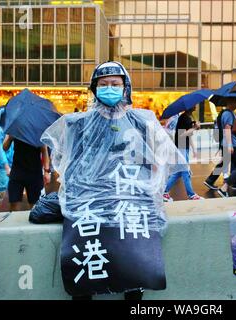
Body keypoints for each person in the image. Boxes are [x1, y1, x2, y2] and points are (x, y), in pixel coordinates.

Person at [41, 61, 186, 300]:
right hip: (90, 204)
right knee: (87, 254)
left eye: (115, 84)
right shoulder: (79, 123)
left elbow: (159, 161)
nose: (109, 88)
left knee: (131, 254)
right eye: (104, 84)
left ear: (125, 88)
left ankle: (133, 290)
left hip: (129, 200)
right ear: (94, 88)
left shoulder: (142, 121)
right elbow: (70, 164)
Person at [163, 107, 203, 201]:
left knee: (178, 172)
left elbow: (188, 135)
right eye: (194, 104)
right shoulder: (185, 118)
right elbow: (183, 134)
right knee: (185, 171)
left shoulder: (187, 118)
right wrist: (194, 128)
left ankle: (164, 192)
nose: (196, 105)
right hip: (181, 147)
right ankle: (191, 195)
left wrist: (193, 149)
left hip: (183, 147)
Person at [3, 136, 51, 211]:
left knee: (34, 204)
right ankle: (14, 221)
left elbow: (44, 151)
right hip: (17, 170)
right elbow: (4, 148)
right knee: (14, 202)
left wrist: (46, 171)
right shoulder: (16, 127)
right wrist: (10, 138)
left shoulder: (38, 130)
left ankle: (33, 219)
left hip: (34, 172)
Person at [203, 98, 236, 191]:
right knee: (233, 163)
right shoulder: (228, 114)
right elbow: (227, 129)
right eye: (235, 101)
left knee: (225, 163)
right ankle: (232, 183)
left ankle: (211, 180)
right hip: (229, 143)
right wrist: (230, 145)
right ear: (230, 102)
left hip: (226, 142)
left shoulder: (225, 113)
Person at [0, 123, 14, 212]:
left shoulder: (12, 128)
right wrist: (6, 166)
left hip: (10, 164)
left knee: (9, 191)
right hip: (0, 167)